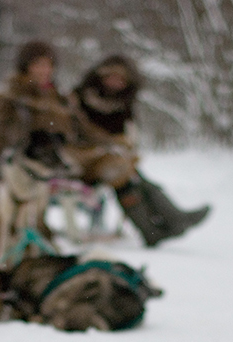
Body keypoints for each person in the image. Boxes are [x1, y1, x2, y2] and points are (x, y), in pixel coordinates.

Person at [72, 54, 211, 246]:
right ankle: (155, 227)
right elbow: (80, 134)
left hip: (110, 160)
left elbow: (126, 136)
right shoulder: (80, 99)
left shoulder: (121, 105)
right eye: (112, 77)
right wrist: (109, 146)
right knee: (126, 176)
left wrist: (119, 148)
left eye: (121, 80)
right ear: (101, 77)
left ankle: (166, 221)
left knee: (134, 177)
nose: (115, 83)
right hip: (83, 160)